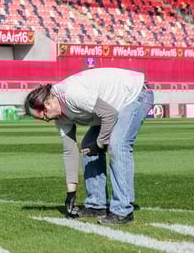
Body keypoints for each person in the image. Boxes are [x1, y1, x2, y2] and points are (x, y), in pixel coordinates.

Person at [24, 67, 154, 224]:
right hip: (111, 107)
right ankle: (96, 204)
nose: (45, 120)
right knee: (87, 146)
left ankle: (123, 211)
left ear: (48, 103)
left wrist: (100, 144)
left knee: (117, 145)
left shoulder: (72, 94)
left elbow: (109, 114)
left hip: (135, 95)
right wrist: (70, 193)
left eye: (43, 116)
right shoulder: (59, 118)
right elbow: (70, 152)